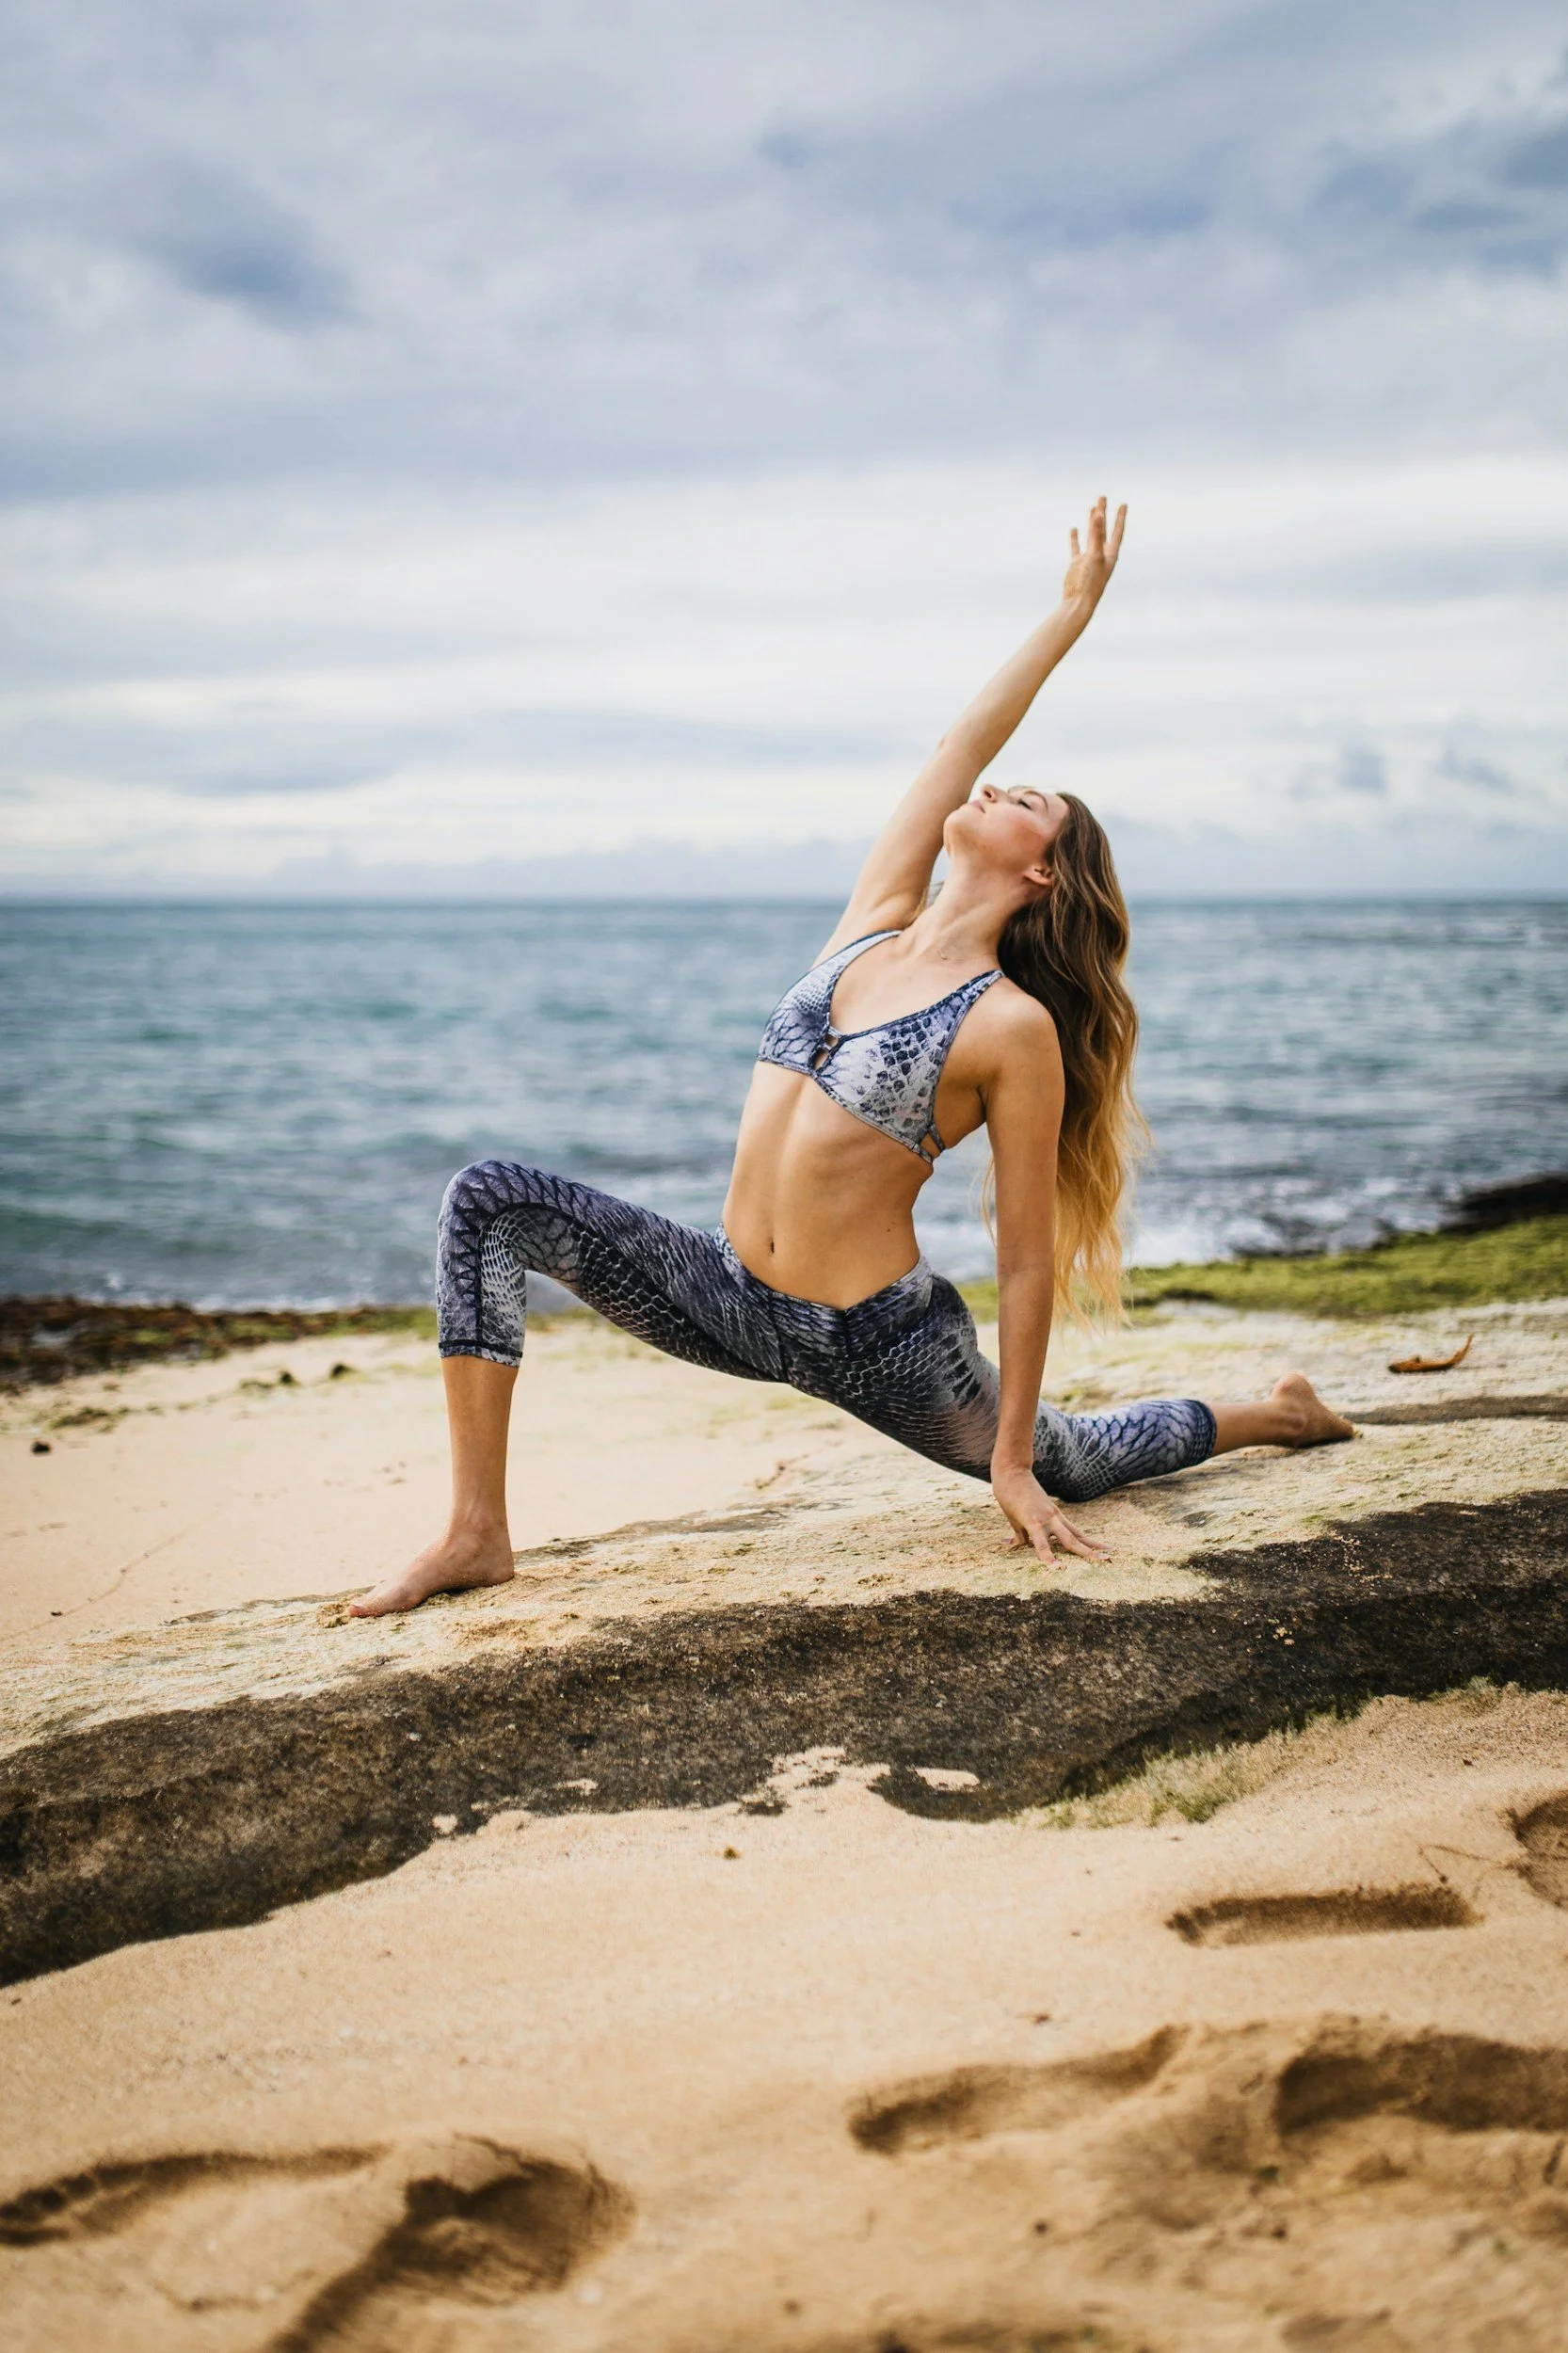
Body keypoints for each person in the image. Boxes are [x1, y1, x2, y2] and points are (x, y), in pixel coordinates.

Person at [353, 499, 1351, 1618]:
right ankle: (476, 1531)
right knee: (487, 1201)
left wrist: (1009, 1461)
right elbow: (958, 745)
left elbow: (1024, 1261)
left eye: (1025, 800)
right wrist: (1064, 619)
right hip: (725, 1293)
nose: (991, 787)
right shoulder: (872, 918)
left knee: (1074, 1459)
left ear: (1044, 875)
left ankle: (1278, 1414)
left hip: (875, 1342)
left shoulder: (1008, 1025)